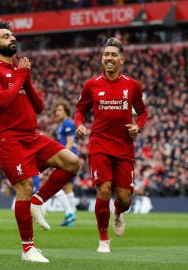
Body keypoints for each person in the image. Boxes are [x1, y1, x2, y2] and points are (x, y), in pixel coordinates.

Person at [0, 21, 80, 263]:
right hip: (8, 139)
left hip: (32, 136)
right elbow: (2, 102)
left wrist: (27, 79)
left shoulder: (18, 71)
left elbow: (40, 107)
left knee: (72, 162)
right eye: (5, 36)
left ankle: (38, 201)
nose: (12, 38)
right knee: (23, 186)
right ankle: (28, 249)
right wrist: (21, 76)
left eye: (13, 35)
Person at [74, 37, 148, 253]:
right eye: (106, 54)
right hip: (99, 144)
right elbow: (80, 110)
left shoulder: (132, 85)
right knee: (104, 189)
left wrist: (138, 126)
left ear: (121, 60)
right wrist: (79, 124)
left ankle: (118, 213)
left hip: (124, 147)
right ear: (102, 58)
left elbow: (142, 112)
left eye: (113, 54)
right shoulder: (92, 85)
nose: (109, 57)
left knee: (124, 199)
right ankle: (103, 240)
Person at [52, 98, 78, 227]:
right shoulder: (62, 125)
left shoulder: (68, 123)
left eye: (60, 110)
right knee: (68, 188)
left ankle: (69, 213)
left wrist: (62, 156)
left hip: (67, 158)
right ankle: (72, 217)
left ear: (66, 111)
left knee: (55, 186)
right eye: (56, 110)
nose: (57, 112)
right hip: (70, 157)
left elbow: (70, 142)